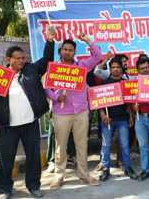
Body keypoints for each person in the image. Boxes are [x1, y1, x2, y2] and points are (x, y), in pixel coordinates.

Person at [0, 26, 56, 199]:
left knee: (33, 158)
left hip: (30, 123)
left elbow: (47, 60)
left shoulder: (31, 70)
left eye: (23, 58)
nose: (22, 61)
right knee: (6, 161)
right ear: (9, 59)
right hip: (7, 126)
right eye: (18, 58)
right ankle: (5, 189)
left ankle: (33, 186)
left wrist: (50, 40)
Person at [45, 33, 101, 190]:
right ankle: (59, 175)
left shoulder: (82, 66)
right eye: (65, 49)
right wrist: (56, 97)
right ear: (60, 51)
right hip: (61, 113)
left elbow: (97, 56)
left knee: (82, 144)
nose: (67, 52)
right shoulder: (53, 68)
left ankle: (84, 174)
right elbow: (46, 88)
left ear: (74, 52)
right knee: (60, 146)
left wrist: (88, 40)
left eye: (70, 50)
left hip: (81, 111)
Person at [98, 57, 138, 181]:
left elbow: (128, 102)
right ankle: (105, 169)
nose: (115, 69)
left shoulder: (124, 83)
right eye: (113, 67)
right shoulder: (104, 83)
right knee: (106, 145)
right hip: (107, 119)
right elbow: (98, 102)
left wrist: (131, 116)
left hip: (123, 119)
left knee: (125, 145)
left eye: (118, 67)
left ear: (122, 68)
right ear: (110, 69)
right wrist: (103, 116)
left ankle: (127, 167)